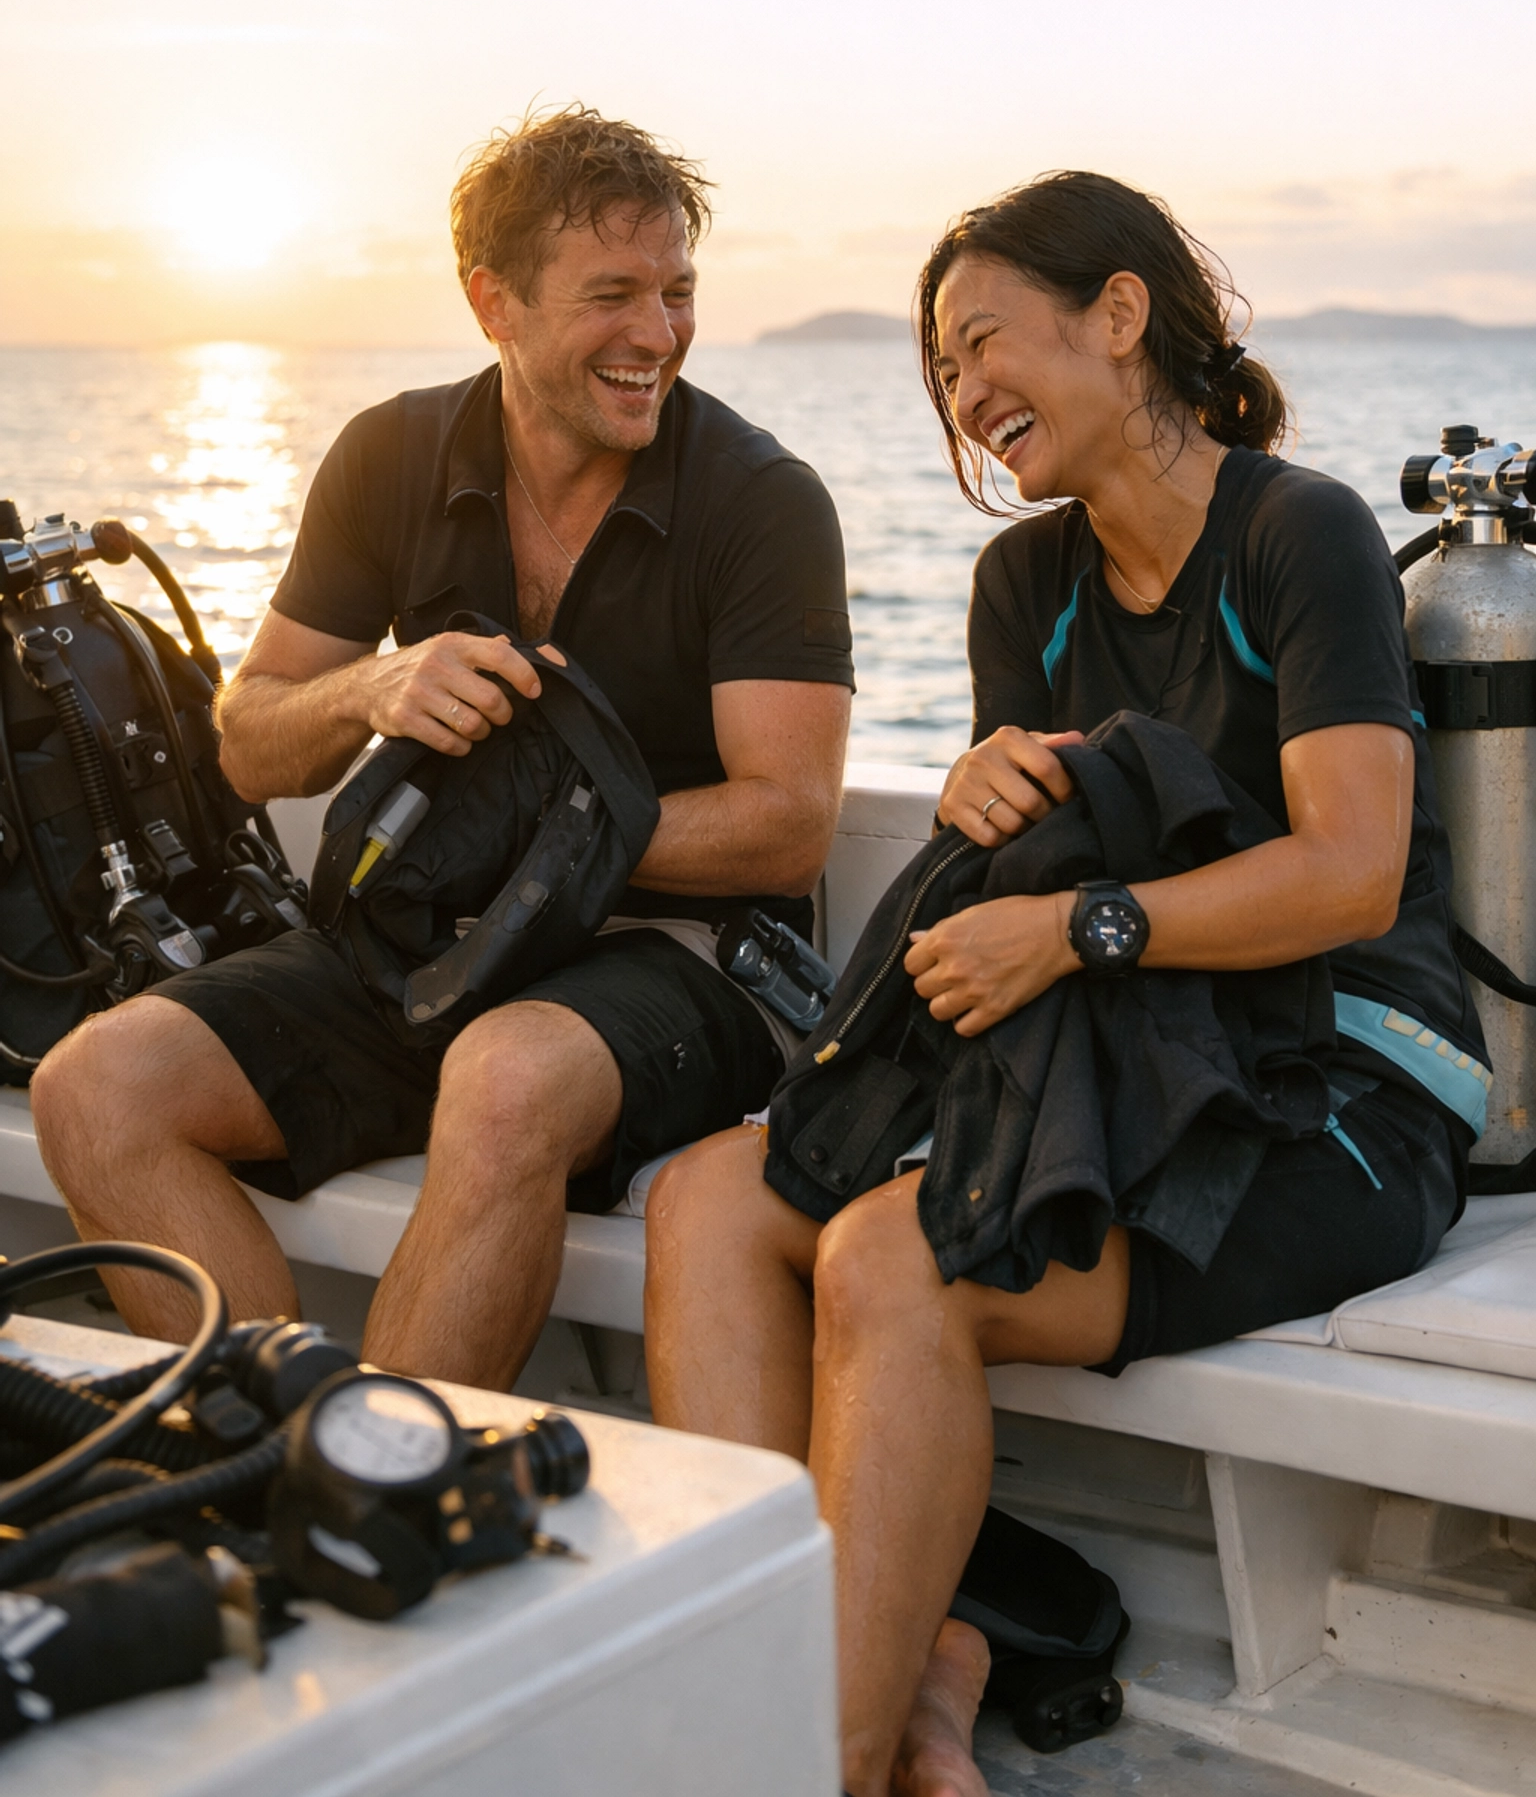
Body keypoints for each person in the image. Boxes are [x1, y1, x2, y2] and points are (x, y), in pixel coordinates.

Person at [644, 169, 1485, 1797]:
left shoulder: (1294, 531)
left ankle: (816, 1758)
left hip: (1341, 1086)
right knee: (706, 1203)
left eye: (983, 341)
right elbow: (1023, 866)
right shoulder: (1021, 588)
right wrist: (976, 798)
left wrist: (1084, 926)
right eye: (942, 368)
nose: (964, 391)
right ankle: (870, 1671)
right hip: (1122, 1064)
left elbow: (1351, 869)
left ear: (1118, 315)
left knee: (895, 1256)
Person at [31, 104, 854, 1390]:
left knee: (504, 1077)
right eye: (613, 296)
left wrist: (529, 845)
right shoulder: (389, 454)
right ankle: (280, 1450)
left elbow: (787, 825)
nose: (658, 334)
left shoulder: (763, 500)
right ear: (493, 302)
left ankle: (387, 1480)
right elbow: (249, 746)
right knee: (95, 1087)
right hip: (430, 945)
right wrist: (372, 686)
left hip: (684, 953)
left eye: (678, 293)